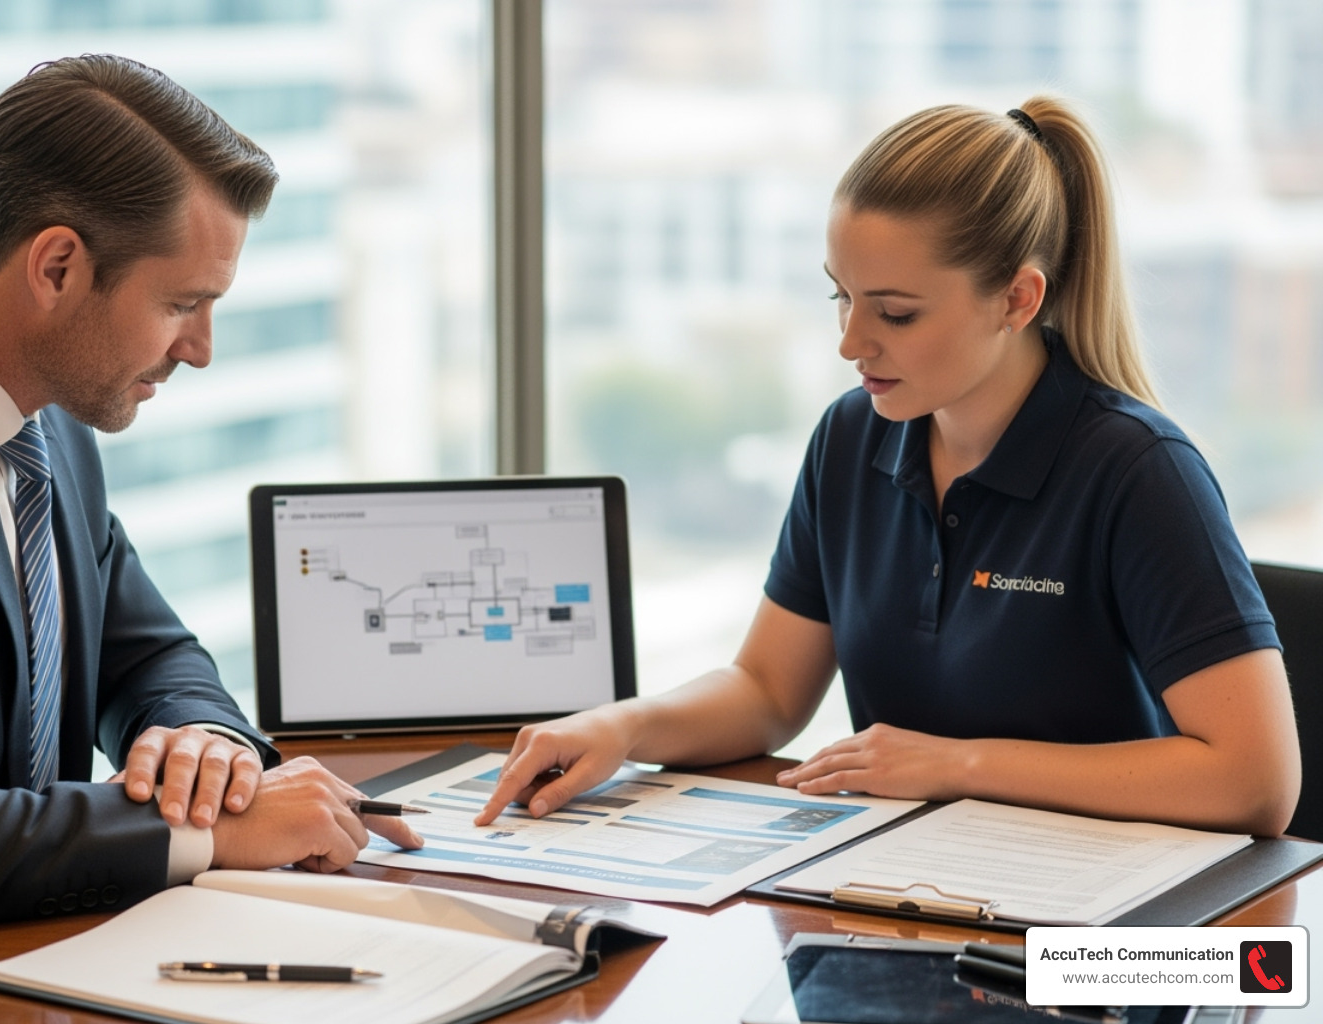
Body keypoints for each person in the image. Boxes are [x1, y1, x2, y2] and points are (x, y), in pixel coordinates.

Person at [475, 97, 1302, 841]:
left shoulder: (1138, 471)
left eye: (895, 313)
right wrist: (626, 727)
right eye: (842, 296)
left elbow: (1257, 781)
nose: (851, 343)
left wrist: (957, 765)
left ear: (1018, 299)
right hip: (908, 894)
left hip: (1098, 950)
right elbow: (767, 691)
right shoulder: (851, 438)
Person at [0, 55, 419, 993]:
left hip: (17, 956)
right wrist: (204, 829)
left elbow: (150, 658)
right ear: (56, 266)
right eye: (181, 304)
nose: (198, 351)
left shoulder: (42, 415)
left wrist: (210, 751)